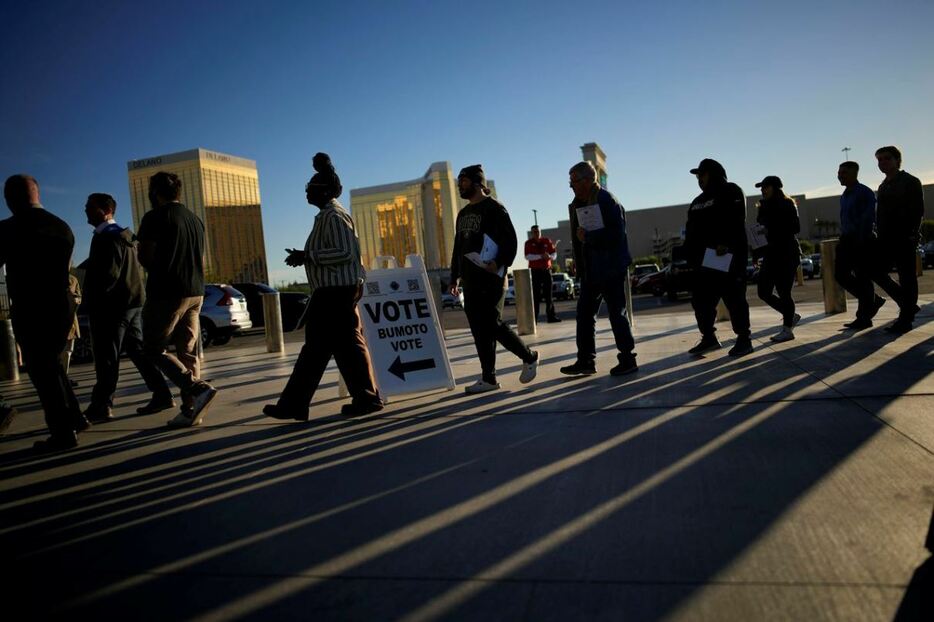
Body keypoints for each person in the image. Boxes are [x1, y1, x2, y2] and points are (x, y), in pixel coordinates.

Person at [264, 153, 384, 420]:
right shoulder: (326, 216)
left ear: (326, 191)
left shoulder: (334, 215)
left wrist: (308, 256)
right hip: (331, 292)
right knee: (319, 350)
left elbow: (344, 251)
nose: (308, 192)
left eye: (313, 189)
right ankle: (296, 404)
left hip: (337, 292)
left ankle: (366, 398)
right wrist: (305, 255)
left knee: (339, 348)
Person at [0, 175, 87, 451]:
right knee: (52, 366)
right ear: (37, 194)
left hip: (30, 308)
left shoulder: (9, 229)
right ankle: (75, 416)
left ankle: (63, 433)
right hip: (60, 307)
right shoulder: (62, 228)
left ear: (9, 199)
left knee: (42, 371)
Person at [81, 193, 174, 422]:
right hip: (132, 303)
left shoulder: (106, 238)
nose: (85, 210)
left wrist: (91, 301)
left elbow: (107, 276)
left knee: (106, 357)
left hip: (110, 307)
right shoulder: (126, 236)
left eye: (89, 207)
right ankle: (162, 393)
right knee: (138, 352)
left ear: (104, 211)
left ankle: (102, 405)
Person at [449, 164, 539, 393]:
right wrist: (454, 278)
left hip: (491, 277)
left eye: (464, 180)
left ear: (478, 183)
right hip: (469, 280)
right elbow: (458, 248)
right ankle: (488, 378)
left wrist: (498, 262)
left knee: (492, 323)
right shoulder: (463, 214)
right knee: (479, 330)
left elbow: (510, 241)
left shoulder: (495, 209)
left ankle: (529, 357)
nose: (460, 184)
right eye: (459, 181)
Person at [137, 172, 217, 427]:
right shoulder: (195, 220)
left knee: (153, 348)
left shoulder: (154, 217)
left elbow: (144, 257)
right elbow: (201, 258)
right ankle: (190, 410)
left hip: (166, 293)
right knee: (187, 351)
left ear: (155, 192)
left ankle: (197, 389)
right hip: (196, 291)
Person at [560, 161, 638, 376]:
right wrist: (578, 260)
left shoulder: (606, 199)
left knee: (616, 313)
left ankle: (628, 359)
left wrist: (590, 237)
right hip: (591, 269)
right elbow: (579, 238)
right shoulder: (577, 203)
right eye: (570, 182)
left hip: (611, 267)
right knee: (584, 315)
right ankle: (585, 361)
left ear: (587, 180)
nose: (571, 186)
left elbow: (617, 234)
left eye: (574, 181)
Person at [684, 159, 752, 356]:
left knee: (734, 299)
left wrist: (726, 242)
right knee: (700, 301)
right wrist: (688, 251)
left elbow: (736, 219)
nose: (699, 179)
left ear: (713, 173)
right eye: (698, 176)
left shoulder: (731, 191)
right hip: (704, 261)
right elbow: (690, 229)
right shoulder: (697, 202)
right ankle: (709, 338)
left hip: (727, 258)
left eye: (702, 175)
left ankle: (744, 339)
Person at [871, 146, 925, 333]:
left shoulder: (910, 181)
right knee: (876, 271)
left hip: (904, 238)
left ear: (897, 160)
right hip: (886, 240)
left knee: (907, 277)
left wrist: (912, 233)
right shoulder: (883, 185)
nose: (882, 163)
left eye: (886, 159)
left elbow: (917, 211)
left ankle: (906, 318)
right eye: (879, 160)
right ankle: (908, 304)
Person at [835, 162, 885, 330]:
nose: (840, 175)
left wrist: (860, 239)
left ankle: (863, 318)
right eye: (839, 172)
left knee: (863, 278)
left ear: (854, 174)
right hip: (847, 240)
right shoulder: (844, 195)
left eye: (844, 173)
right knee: (841, 275)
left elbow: (868, 218)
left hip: (861, 240)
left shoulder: (864, 192)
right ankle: (873, 300)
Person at [753, 176, 801, 342]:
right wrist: (756, 254)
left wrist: (771, 229)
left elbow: (796, 227)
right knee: (763, 291)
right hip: (770, 254)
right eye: (761, 188)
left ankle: (787, 329)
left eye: (766, 187)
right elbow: (760, 233)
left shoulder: (787, 204)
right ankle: (790, 315)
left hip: (787, 252)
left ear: (776, 187)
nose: (763, 190)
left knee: (783, 291)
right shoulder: (763, 207)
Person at [524, 225, 561, 323]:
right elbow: (528, 256)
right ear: (531, 233)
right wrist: (541, 256)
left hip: (546, 271)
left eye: (538, 231)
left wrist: (549, 257)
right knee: (535, 296)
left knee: (549, 295)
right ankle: (534, 319)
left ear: (540, 232)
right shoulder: (528, 243)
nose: (536, 233)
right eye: (534, 232)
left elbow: (554, 254)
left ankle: (551, 316)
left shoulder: (547, 241)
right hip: (535, 272)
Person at [61, 271, 81, 376]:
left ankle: (64, 377)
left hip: (70, 321)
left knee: (68, 352)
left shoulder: (73, 279)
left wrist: (75, 299)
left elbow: (79, 297)